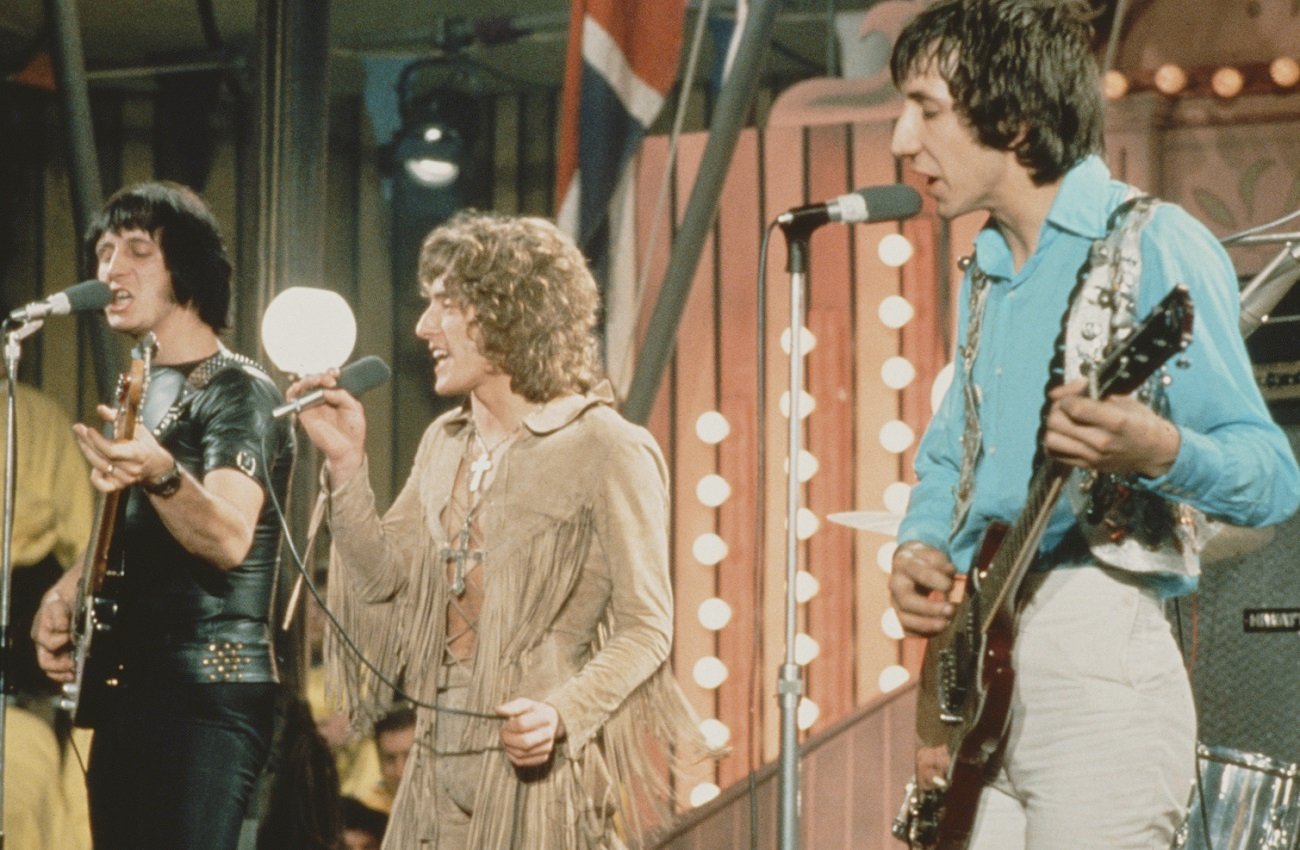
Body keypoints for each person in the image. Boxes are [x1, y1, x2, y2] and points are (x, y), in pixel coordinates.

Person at [884, 3, 1300, 850]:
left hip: (1103, 663)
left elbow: (1272, 474)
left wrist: (1161, 450)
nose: (899, 137)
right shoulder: (987, 272)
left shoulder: (1157, 243)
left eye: (925, 108)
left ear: (1015, 116)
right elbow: (946, 459)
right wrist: (919, 548)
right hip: (991, 679)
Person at [289, 211, 713, 849]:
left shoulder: (606, 445)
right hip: (434, 772)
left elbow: (647, 626)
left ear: (512, 313)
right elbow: (384, 583)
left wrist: (561, 713)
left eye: (447, 305)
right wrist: (347, 467)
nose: (423, 327)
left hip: (535, 781)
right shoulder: (443, 442)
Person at [30, 181, 295, 850]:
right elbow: (125, 526)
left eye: (137, 251)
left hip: (209, 693)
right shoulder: (140, 383)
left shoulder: (241, 391)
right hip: (127, 687)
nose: (109, 269)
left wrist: (161, 471)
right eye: (103, 251)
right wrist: (64, 593)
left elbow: (230, 538)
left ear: (190, 268)